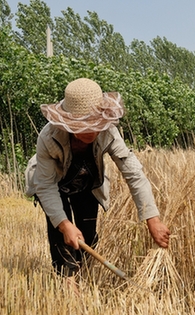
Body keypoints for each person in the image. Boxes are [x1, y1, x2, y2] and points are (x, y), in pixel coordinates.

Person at [25, 78, 171, 276]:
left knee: (88, 236)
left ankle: (82, 275)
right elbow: (45, 185)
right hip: (53, 183)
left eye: (96, 124)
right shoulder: (49, 137)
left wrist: (152, 219)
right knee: (62, 234)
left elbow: (134, 174)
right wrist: (64, 224)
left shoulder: (108, 132)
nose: (92, 131)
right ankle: (68, 281)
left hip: (86, 181)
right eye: (84, 125)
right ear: (69, 122)